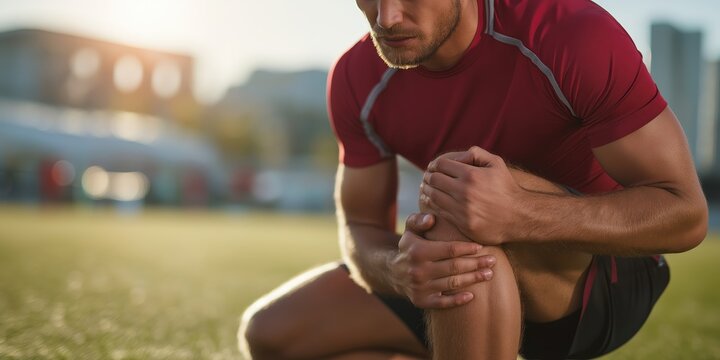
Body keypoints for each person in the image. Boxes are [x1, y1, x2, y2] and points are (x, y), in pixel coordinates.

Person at [239, 0, 708, 358]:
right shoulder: (356, 78)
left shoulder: (568, 33)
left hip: (607, 276)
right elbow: (359, 227)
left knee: (457, 203)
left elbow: (684, 214)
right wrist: (396, 272)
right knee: (271, 334)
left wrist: (520, 215)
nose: (387, 17)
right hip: (468, 270)